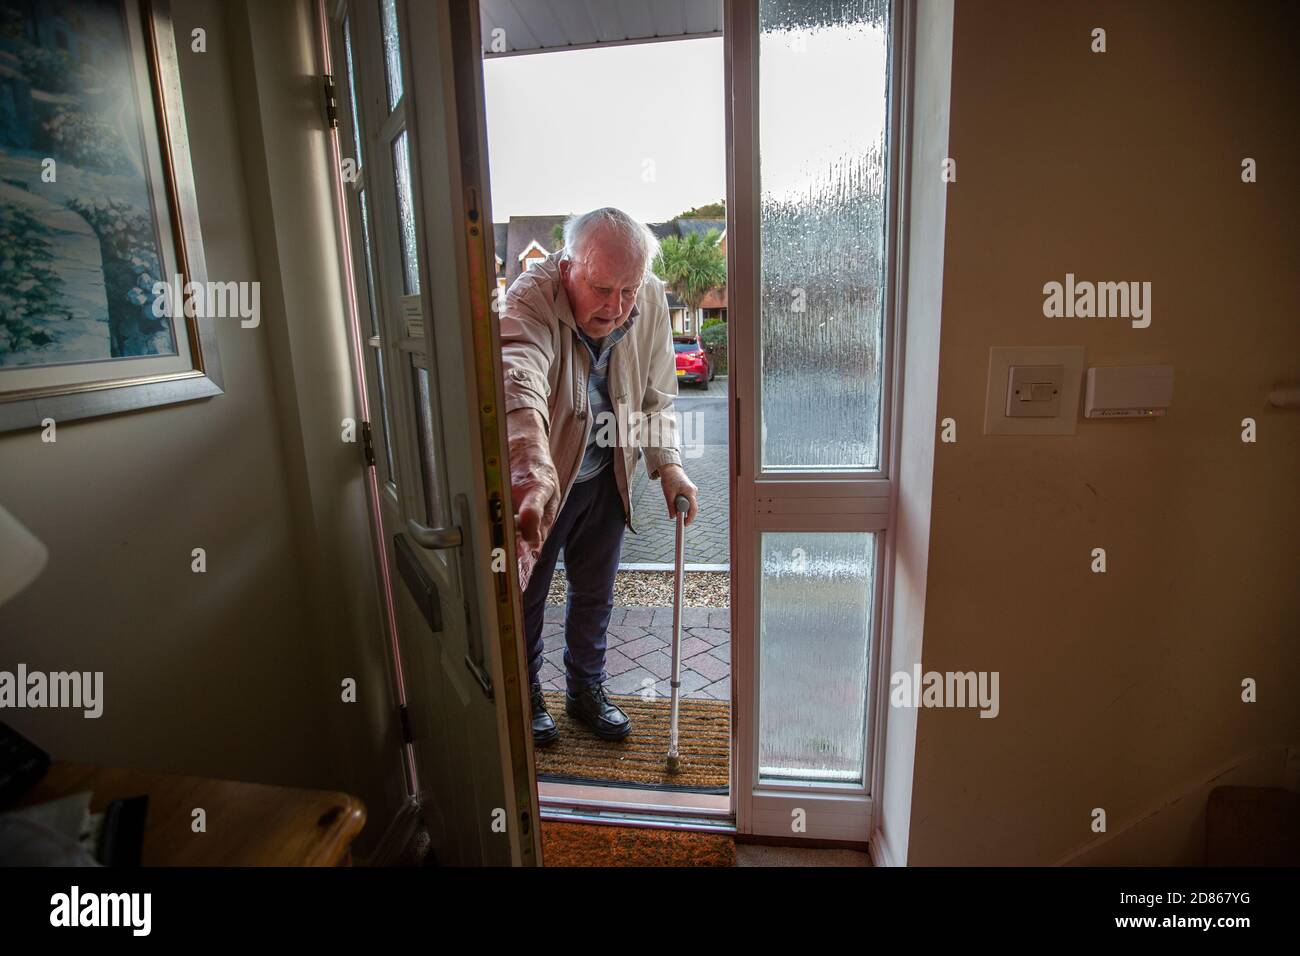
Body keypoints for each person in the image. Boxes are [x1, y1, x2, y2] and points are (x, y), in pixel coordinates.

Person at [501, 207, 699, 746]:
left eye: (628, 290)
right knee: (528, 595)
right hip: (549, 480)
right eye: (602, 288)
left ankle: (586, 689)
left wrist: (669, 467)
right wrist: (531, 471)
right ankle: (527, 694)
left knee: (596, 594)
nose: (616, 307)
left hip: (608, 474)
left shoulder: (649, 297)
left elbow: (657, 393)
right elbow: (517, 377)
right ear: (568, 268)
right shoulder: (528, 298)